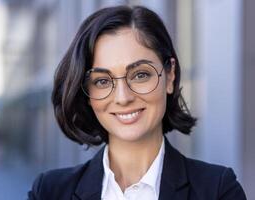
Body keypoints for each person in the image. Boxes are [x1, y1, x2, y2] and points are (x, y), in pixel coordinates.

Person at [28, 5, 246, 200]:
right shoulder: (49, 192)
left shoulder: (217, 189)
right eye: (103, 81)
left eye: (140, 75)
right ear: (88, 94)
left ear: (169, 76)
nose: (123, 98)